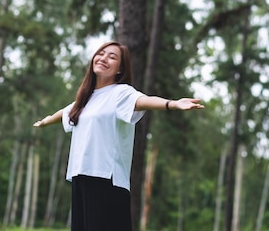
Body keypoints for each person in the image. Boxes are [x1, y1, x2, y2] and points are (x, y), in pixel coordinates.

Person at [33, 40, 204, 231]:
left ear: (120, 69)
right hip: (81, 175)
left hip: (106, 179)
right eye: (101, 53)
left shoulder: (121, 93)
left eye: (112, 57)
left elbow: (143, 101)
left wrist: (172, 104)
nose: (104, 58)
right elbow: (65, 112)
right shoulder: (85, 99)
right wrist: (47, 120)